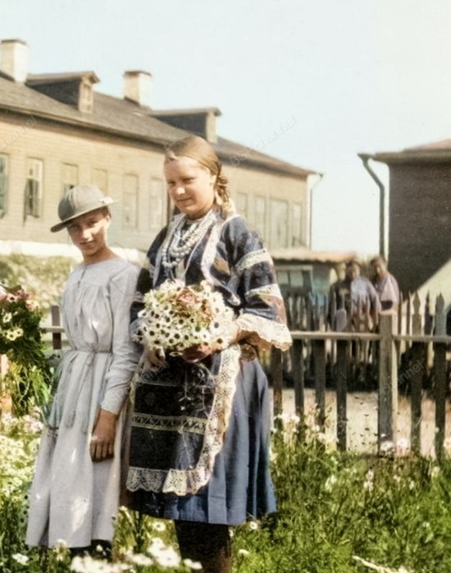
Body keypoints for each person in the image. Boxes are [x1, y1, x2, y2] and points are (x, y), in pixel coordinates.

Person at [126, 136, 292, 573]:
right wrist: (152, 338)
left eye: (188, 180)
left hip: (222, 386)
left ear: (214, 178)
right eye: (170, 183)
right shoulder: (167, 238)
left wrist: (220, 336)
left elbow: (267, 307)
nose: (179, 191)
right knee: (183, 513)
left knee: (208, 510)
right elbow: (141, 302)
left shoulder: (237, 234)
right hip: (172, 388)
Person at [26, 185, 142, 558]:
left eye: (92, 223)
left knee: (96, 476)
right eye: (75, 229)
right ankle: (71, 551)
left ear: (107, 218)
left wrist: (107, 416)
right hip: (74, 384)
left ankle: (98, 552)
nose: (85, 235)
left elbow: (126, 350)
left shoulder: (124, 274)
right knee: (67, 473)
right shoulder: (76, 273)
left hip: (103, 387)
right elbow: (76, 342)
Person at [328, 260, 381, 332]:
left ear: (359, 270)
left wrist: (375, 318)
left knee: (362, 340)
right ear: (346, 270)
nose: (353, 273)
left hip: (362, 321)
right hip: (344, 323)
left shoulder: (365, 284)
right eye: (350, 270)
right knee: (344, 341)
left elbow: (375, 300)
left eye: (355, 270)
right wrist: (332, 323)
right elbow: (331, 306)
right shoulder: (337, 286)